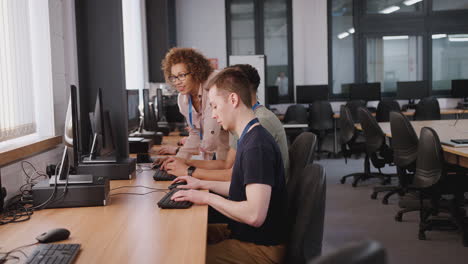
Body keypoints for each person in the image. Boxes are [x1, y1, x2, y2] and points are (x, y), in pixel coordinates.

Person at [171, 68, 287, 263]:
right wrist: (200, 184)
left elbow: (254, 215)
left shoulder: (256, 146)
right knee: (181, 236)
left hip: (261, 248)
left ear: (233, 100)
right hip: (244, 234)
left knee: (185, 257)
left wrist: (206, 197)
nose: (214, 115)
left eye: (215, 106)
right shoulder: (249, 136)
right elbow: (241, 188)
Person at [163, 64, 290, 182]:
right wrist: (185, 162)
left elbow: (233, 176)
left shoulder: (261, 122)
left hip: (267, 197)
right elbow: (226, 164)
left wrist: (188, 172)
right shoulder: (244, 122)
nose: (213, 113)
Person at [157, 48, 229, 161]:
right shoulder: (183, 100)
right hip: (218, 156)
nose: (177, 82)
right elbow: (195, 134)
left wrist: (188, 164)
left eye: (181, 75)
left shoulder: (213, 86)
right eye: (173, 77)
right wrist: (177, 160)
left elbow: (210, 139)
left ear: (196, 72)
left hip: (235, 150)